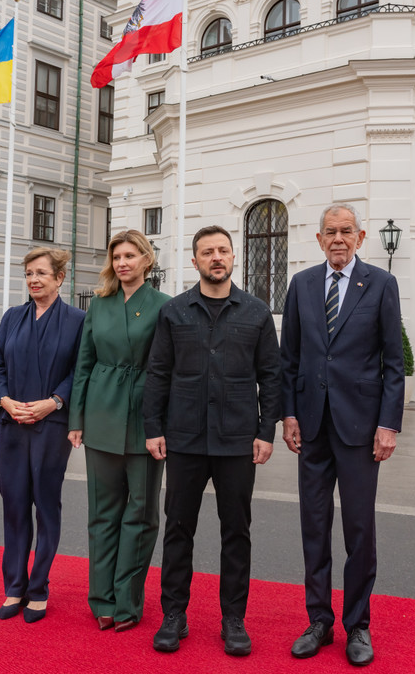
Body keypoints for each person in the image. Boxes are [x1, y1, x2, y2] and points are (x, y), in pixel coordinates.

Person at [143, 225, 281, 657]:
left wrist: (266, 431)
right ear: (195, 261)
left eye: (223, 250)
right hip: (184, 439)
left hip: (237, 441)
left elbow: (271, 377)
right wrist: (153, 427)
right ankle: (174, 614)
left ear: (234, 257)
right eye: (207, 252)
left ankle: (233, 619)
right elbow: (158, 372)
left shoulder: (256, 313)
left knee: (236, 532)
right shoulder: (174, 312)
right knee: (178, 529)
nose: (216, 257)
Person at [280, 203, 404, 666]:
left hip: (360, 429)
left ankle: (358, 625)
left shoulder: (381, 284)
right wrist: (288, 415)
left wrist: (388, 424)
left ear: (360, 237)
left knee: (359, 530)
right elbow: (289, 358)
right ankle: (318, 620)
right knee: (314, 527)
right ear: (319, 239)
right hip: (311, 428)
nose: (338, 238)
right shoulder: (301, 284)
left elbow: (394, 363)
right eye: (330, 231)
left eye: (346, 231)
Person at [68, 230, 169, 632]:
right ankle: (102, 599)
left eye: (130, 255)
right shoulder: (99, 304)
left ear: (146, 259)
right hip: (102, 413)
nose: (122, 262)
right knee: (102, 513)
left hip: (146, 417)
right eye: (117, 257)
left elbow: (168, 368)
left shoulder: (164, 305)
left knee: (141, 514)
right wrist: (76, 419)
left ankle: (127, 599)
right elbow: (83, 364)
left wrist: (164, 422)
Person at [0, 247, 85, 623]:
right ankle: (15, 586)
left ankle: (39, 588)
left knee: (45, 506)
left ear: (60, 278)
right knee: (14, 505)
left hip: (51, 427)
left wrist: (55, 402)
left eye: (41, 273)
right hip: (12, 424)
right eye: (29, 273)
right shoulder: (13, 317)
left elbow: (80, 370)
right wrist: (5, 400)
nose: (34, 279)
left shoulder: (78, 321)